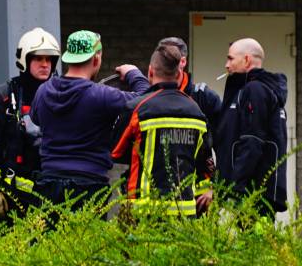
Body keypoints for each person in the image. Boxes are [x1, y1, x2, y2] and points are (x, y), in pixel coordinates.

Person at [31, 30, 149, 210]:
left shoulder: (43, 91)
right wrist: (133, 73)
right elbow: (146, 98)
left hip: (49, 183)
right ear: (96, 59)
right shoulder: (101, 95)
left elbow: (36, 119)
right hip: (89, 186)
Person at [111, 44, 210, 218]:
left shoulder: (137, 109)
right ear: (179, 74)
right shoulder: (197, 112)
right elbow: (204, 163)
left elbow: (116, 152)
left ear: (150, 72)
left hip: (143, 214)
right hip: (185, 215)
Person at [196, 38, 288, 218]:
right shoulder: (247, 90)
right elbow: (231, 146)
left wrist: (226, 190)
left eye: (230, 59)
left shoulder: (256, 90)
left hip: (253, 196)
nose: (226, 65)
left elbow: (251, 145)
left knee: (252, 243)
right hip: (247, 193)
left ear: (246, 60)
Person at [0, 27, 61, 221]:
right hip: (12, 196)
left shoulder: (61, 95)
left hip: (54, 194)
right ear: (24, 60)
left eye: (49, 59)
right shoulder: (3, 97)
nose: (45, 64)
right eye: (38, 59)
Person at [156, 37, 222, 203]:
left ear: (182, 61)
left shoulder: (203, 97)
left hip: (200, 193)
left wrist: (215, 187)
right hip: (157, 192)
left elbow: (225, 145)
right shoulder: (149, 98)